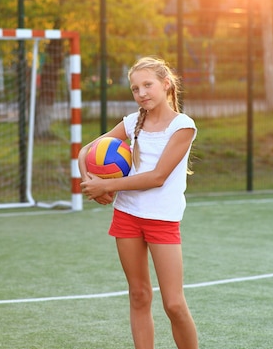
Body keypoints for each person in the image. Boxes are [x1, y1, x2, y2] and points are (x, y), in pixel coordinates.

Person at [79, 56, 199, 349]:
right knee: (139, 295)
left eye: (148, 85)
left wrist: (106, 185)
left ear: (165, 84)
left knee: (173, 303)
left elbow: (157, 177)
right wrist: (91, 184)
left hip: (162, 220)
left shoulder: (182, 126)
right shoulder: (132, 122)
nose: (142, 92)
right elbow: (86, 151)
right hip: (127, 216)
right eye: (135, 88)